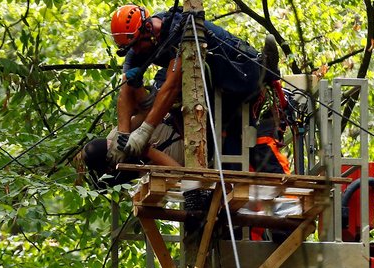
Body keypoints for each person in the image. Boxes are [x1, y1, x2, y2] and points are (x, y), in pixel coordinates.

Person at [107, 4, 283, 171]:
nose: (136, 50)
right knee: (162, 85)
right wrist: (123, 133)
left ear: (147, 29)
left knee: (236, 113)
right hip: (211, 82)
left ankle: (265, 68)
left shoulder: (179, 29)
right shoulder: (138, 47)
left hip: (237, 68)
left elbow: (173, 85)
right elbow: (126, 88)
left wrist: (144, 132)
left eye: (137, 44)